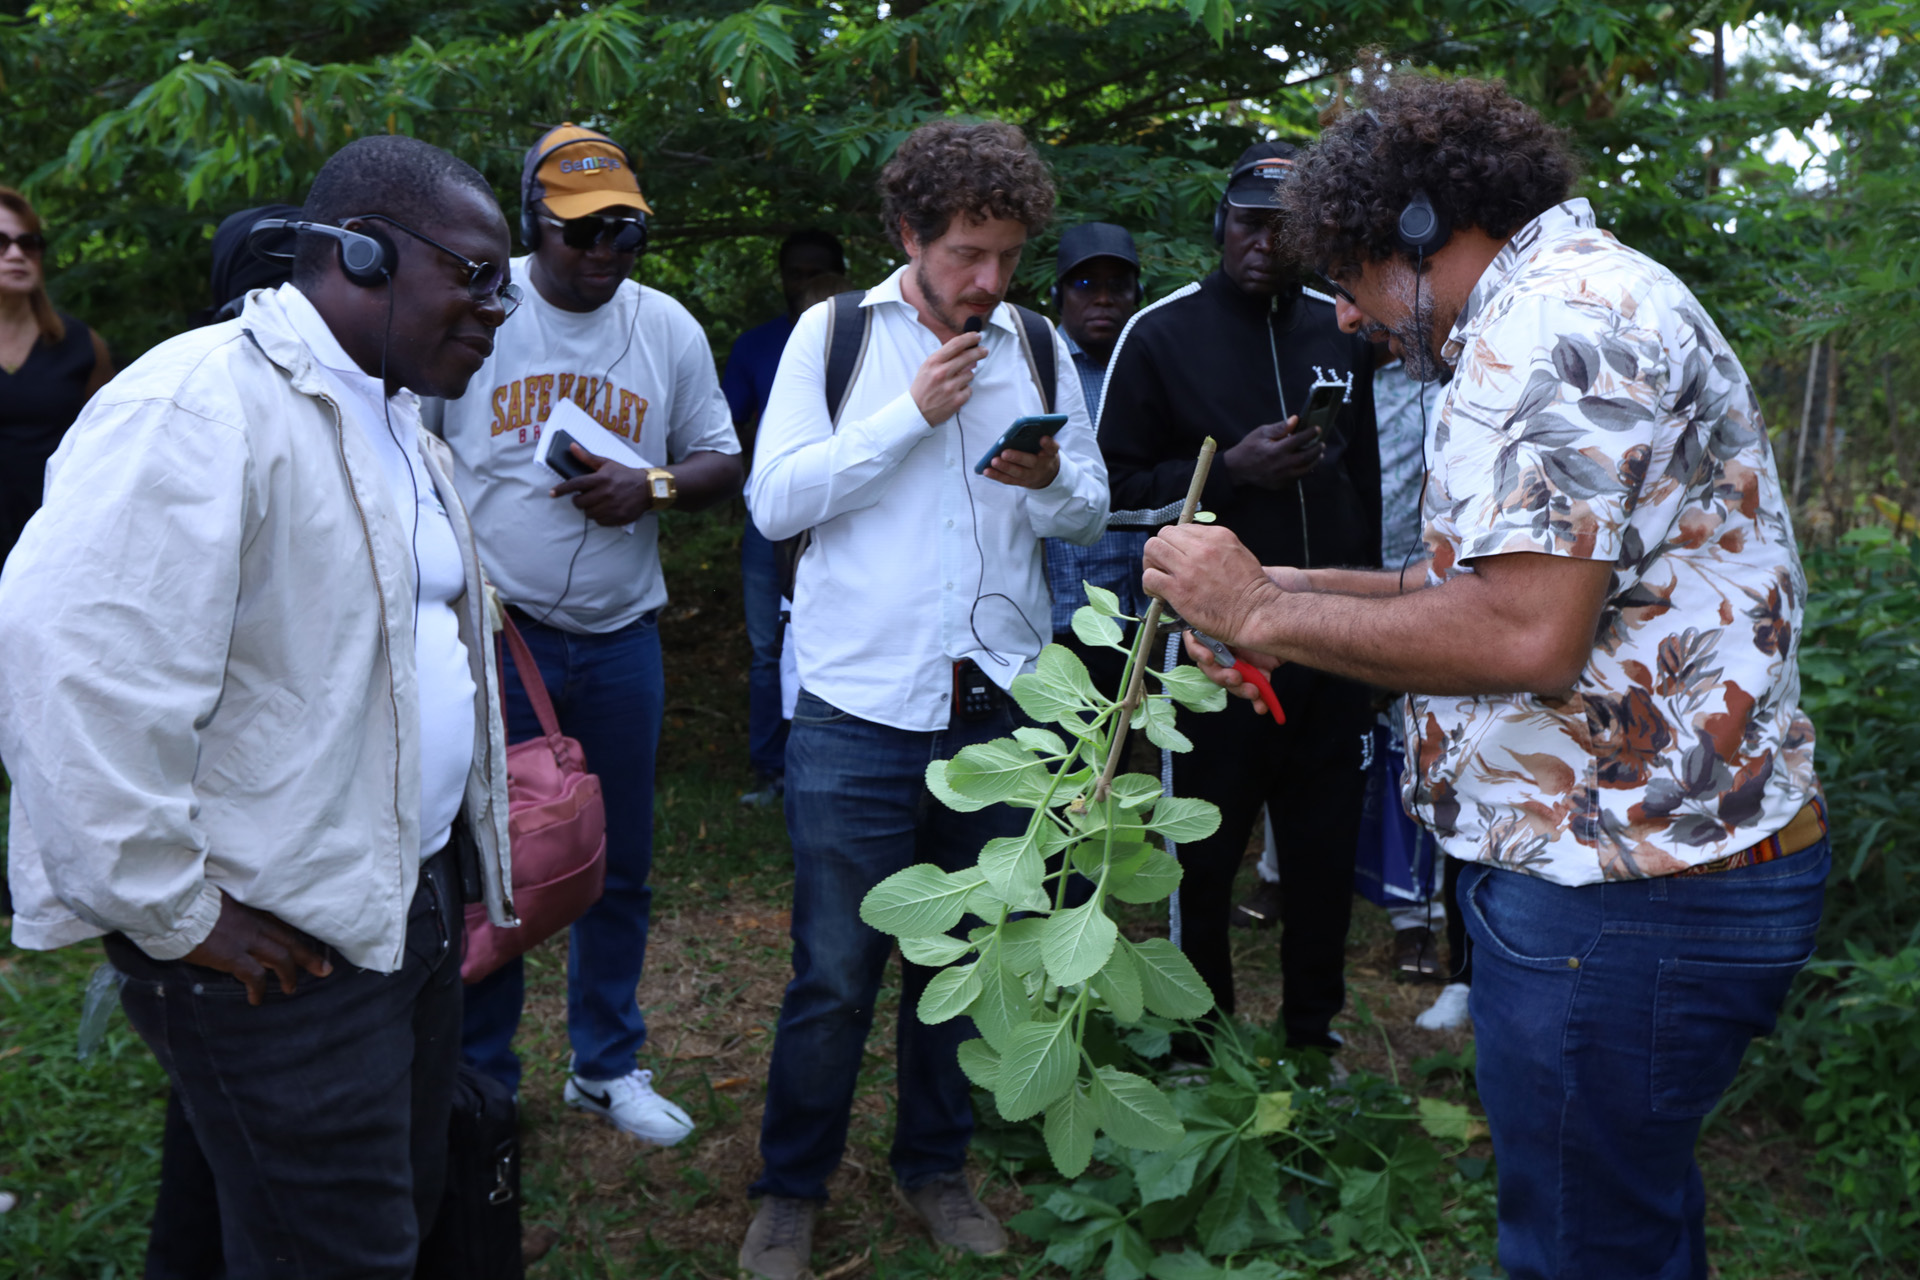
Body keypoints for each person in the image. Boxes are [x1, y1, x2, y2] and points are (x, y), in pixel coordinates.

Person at [1145, 74, 1824, 1280]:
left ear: (1413, 233)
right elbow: (1454, 592)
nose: (1347, 321)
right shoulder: (1571, 303)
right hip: (1635, 881)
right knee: (1627, 1218)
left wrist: (1252, 607)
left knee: (1580, 1249)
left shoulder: (1554, 330)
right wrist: (1277, 586)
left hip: (1630, 897)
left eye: (1348, 282)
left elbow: (1521, 635)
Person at [0, 134, 517, 1277]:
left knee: (317, 1206)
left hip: (399, 904)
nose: (498, 307)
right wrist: (176, 912)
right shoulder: (196, 405)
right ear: (360, 254)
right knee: (343, 1243)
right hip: (276, 941)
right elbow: (71, 663)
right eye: (476, 275)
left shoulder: (392, 416)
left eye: (506, 281)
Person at [739, 119, 1107, 1280]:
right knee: (837, 968)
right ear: (907, 236)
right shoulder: (836, 335)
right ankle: (791, 1187)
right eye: (965, 254)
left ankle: (934, 1166)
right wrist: (909, 414)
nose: (988, 282)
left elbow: (1090, 509)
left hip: (998, 707)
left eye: (1006, 255)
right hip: (855, 708)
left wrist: (1047, 479)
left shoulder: (1039, 344)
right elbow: (774, 502)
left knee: (970, 952)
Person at [433, 123, 742, 1144]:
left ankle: (607, 1064)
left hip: (618, 638)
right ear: (532, 224)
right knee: (498, 861)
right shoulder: (476, 312)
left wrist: (647, 483)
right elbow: (412, 455)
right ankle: (481, 1075)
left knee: (615, 859)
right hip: (496, 637)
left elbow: (719, 458)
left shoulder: (666, 329)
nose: (603, 252)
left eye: (624, 232)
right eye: (579, 234)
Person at [1098, 139, 1380, 1055]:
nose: (1265, 242)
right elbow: (1108, 495)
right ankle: (1197, 1044)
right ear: (1220, 225)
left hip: (1329, 643)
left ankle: (1313, 1040)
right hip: (1210, 655)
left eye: (1286, 227)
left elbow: (1366, 486)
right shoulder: (1162, 333)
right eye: (1250, 222)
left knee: (1321, 857)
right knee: (1205, 862)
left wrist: (1378, 625)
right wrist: (1231, 474)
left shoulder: (1340, 330)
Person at [722, 229, 849, 807]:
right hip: (770, 518)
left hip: (842, 513)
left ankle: (825, 759)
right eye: (795, 272)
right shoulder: (757, 345)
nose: (805, 283)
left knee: (836, 634)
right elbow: (727, 431)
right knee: (768, 644)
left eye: (817, 270)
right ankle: (771, 767)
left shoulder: (857, 336)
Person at [1041, 220, 1146, 693]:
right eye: (1084, 284)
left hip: (1142, 615)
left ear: (1137, 295)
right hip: (1062, 618)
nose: (1102, 298)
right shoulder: (1036, 367)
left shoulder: (1150, 367)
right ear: (1058, 294)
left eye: (1117, 286)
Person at [0, 186, 114, 573]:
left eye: (28, 243)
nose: (16, 254)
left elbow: (106, 454)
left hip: (51, 552)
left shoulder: (82, 345)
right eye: (1, 243)